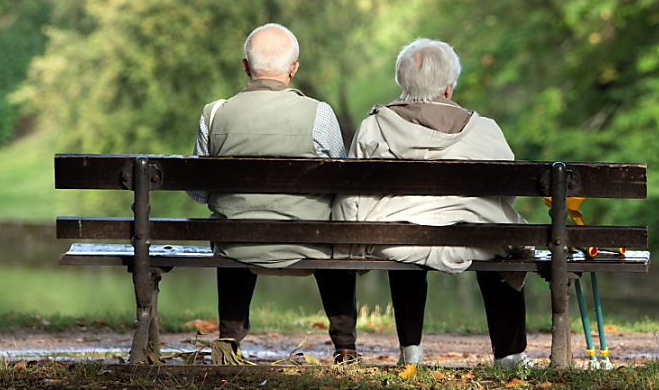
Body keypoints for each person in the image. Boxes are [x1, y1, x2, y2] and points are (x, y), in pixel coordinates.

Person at [333, 38, 533, 369]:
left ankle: (410, 353)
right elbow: (505, 193)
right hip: (474, 241)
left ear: (402, 83)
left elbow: (351, 193)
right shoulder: (485, 130)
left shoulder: (373, 127)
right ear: (448, 89)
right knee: (502, 244)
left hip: (394, 241)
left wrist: (350, 239)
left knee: (404, 233)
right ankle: (510, 356)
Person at [189, 23, 358, 364]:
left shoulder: (214, 114)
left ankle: (229, 341)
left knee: (231, 222)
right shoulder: (320, 114)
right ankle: (345, 345)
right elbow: (342, 184)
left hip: (236, 243)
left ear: (246, 67)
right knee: (335, 229)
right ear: (293, 69)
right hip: (310, 240)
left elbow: (199, 193)